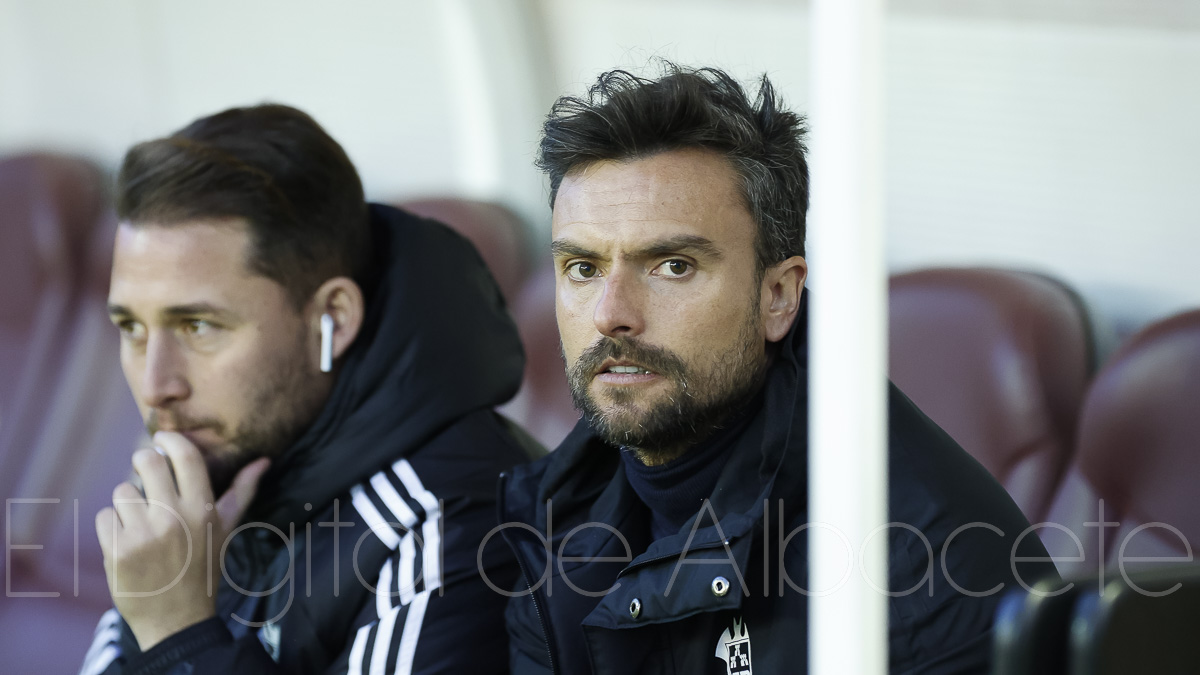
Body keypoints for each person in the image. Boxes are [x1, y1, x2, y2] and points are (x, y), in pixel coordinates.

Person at [499, 64, 1060, 674]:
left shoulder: (923, 562)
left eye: (673, 266)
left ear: (778, 297)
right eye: (582, 268)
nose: (612, 315)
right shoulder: (553, 512)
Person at [79, 104, 540, 675]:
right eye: (131, 328)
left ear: (333, 318)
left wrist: (177, 635)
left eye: (199, 327)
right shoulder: (222, 476)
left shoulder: (453, 525)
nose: (156, 385)